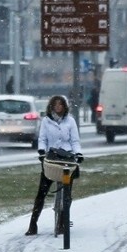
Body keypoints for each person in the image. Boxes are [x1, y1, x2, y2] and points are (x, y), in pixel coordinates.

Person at [25, 95, 83, 236]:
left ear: (64, 106)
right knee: (42, 192)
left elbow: (75, 140)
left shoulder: (70, 121)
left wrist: (78, 153)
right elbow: (42, 138)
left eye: (61, 105)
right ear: (51, 106)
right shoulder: (46, 121)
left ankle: (62, 222)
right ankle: (33, 224)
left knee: (67, 194)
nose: (58, 107)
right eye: (55, 105)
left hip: (67, 159)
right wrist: (41, 151)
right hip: (51, 157)